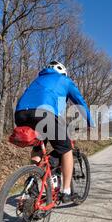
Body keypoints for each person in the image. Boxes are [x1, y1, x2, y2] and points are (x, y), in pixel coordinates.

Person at [15, 61, 94, 203]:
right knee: (66, 150)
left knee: (38, 147)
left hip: (21, 114)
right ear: (63, 73)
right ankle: (66, 191)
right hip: (44, 114)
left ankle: (31, 186)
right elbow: (80, 102)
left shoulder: (38, 79)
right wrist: (89, 122)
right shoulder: (65, 80)